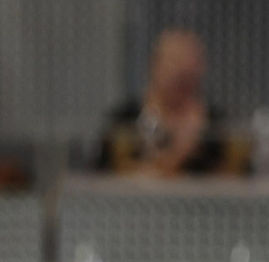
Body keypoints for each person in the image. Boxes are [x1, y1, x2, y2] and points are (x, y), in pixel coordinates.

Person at [99, 29, 232, 176]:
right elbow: (100, 176)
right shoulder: (124, 122)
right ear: (155, 66)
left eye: (188, 72)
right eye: (174, 62)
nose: (180, 74)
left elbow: (234, 179)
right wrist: (179, 151)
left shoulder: (216, 129)